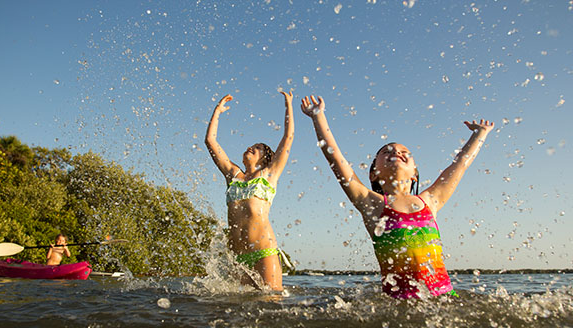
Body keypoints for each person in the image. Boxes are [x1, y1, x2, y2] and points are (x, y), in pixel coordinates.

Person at [301, 95, 494, 299]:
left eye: (405, 152)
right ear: (374, 173)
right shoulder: (372, 203)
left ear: (414, 173)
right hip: (400, 304)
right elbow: (335, 157)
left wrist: (479, 134)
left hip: (444, 299)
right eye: (387, 152)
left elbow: (460, 165)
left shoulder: (429, 200)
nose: (396, 152)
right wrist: (318, 116)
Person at [205, 91, 295, 291]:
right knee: (240, 310)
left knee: (270, 305)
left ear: (266, 158)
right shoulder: (233, 175)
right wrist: (217, 111)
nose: (250, 147)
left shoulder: (269, 175)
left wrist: (288, 104)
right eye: (250, 145)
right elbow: (210, 142)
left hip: (264, 253)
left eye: (257, 147)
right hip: (237, 257)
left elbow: (288, 137)